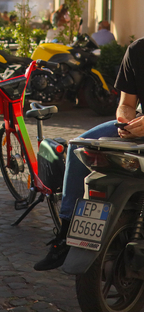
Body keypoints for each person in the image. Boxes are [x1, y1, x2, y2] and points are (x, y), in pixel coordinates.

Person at [34, 36, 144, 271]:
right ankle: (65, 235)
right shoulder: (137, 50)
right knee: (78, 145)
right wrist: (125, 120)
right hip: (139, 127)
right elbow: (126, 103)